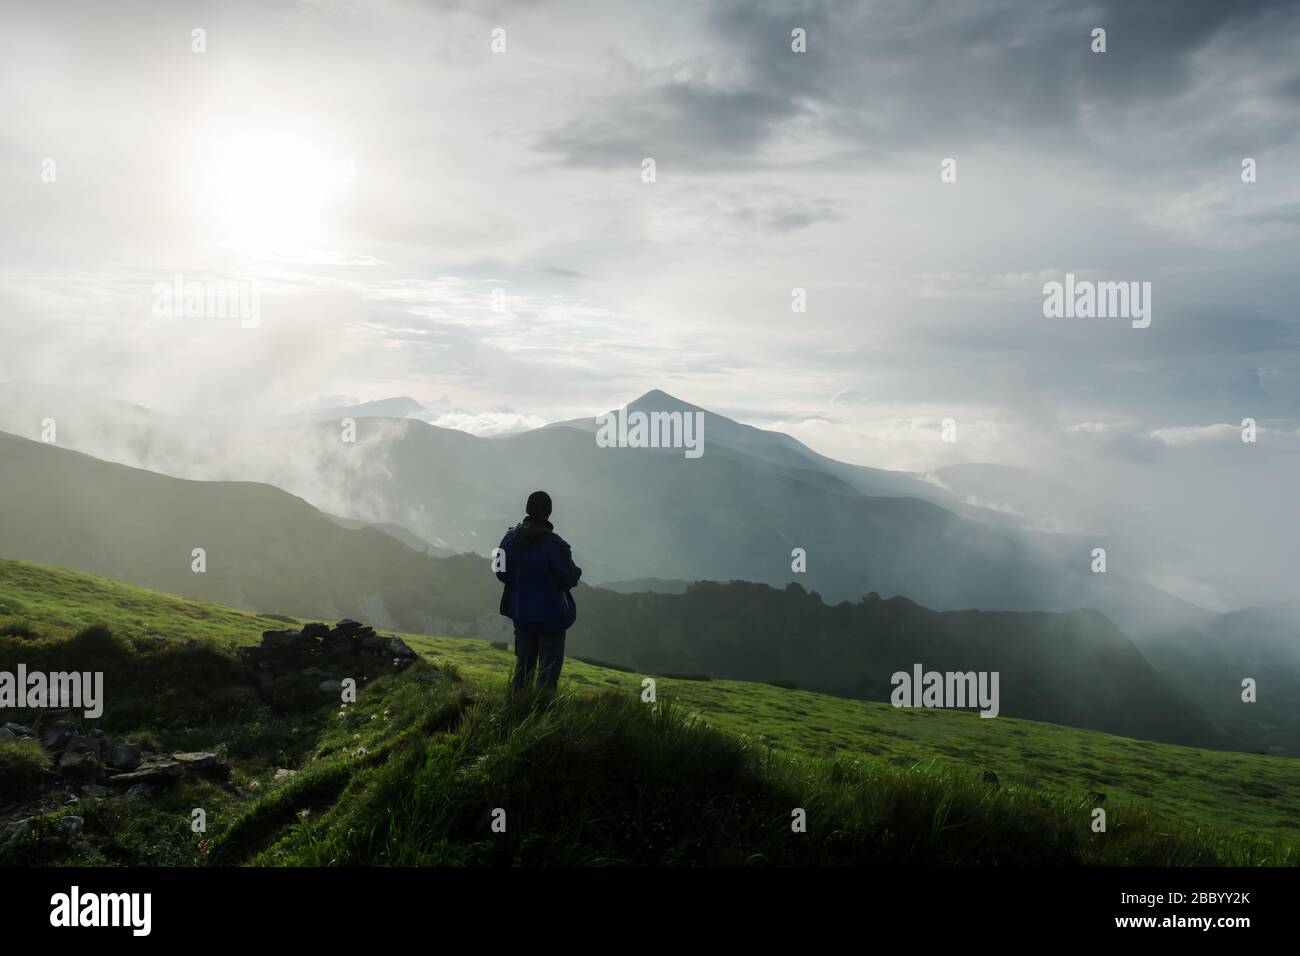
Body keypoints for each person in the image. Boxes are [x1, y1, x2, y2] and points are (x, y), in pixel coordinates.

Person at [495, 490, 582, 692]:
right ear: (548, 513)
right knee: (548, 671)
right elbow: (568, 579)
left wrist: (519, 582)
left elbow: (500, 572)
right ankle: (542, 712)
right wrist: (576, 571)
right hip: (551, 616)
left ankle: (517, 708)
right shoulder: (556, 545)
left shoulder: (508, 540)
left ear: (527, 509)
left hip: (522, 613)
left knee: (523, 666)